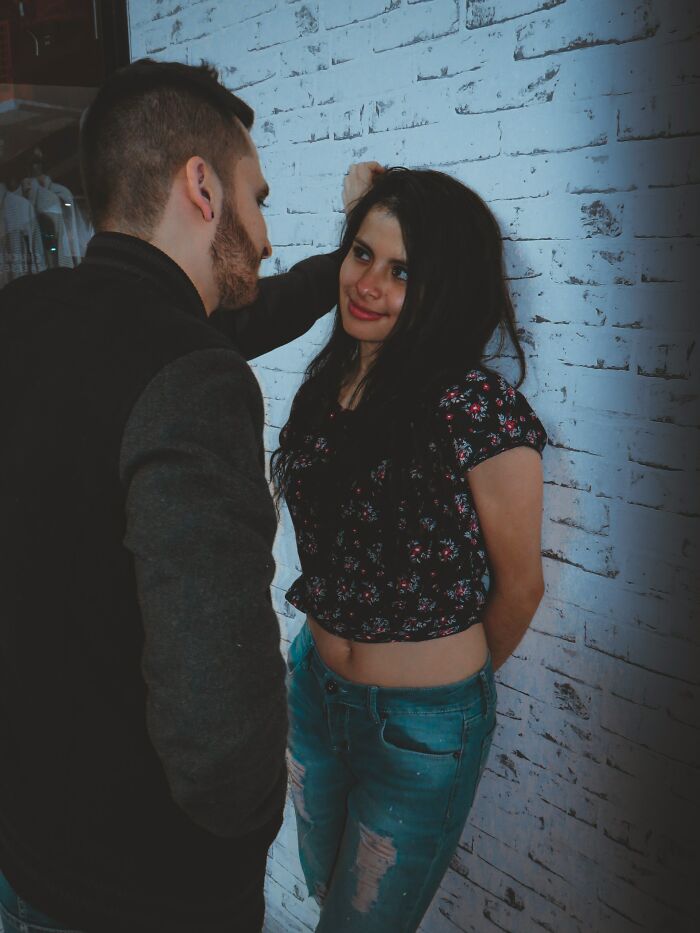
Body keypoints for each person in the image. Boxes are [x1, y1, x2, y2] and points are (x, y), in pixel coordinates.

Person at [0, 58, 350, 933]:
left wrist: (342, 265)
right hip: (145, 893)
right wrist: (234, 865)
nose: (266, 234)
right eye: (258, 197)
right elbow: (220, 725)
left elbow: (232, 312)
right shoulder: (192, 375)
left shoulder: (24, 314)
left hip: (23, 846)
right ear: (202, 186)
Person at [271, 167, 548, 932]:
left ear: (443, 287)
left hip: (421, 731)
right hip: (312, 691)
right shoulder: (334, 379)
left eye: (403, 272)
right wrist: (366, 192)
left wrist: (442, 699)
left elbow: (521, 587)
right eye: (361, 254)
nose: (369, 284)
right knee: (326, 891)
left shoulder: (477, 407)